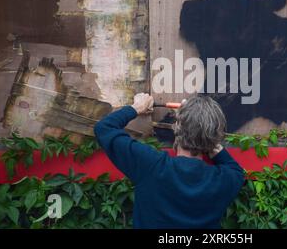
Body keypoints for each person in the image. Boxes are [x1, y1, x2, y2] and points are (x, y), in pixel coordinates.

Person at [94, 93, 245, 229]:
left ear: (177, 127)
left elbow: (104, 128)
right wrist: (206, 137)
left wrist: (136, 107)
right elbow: (236, 170)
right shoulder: (224, 180)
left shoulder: (151, 165)